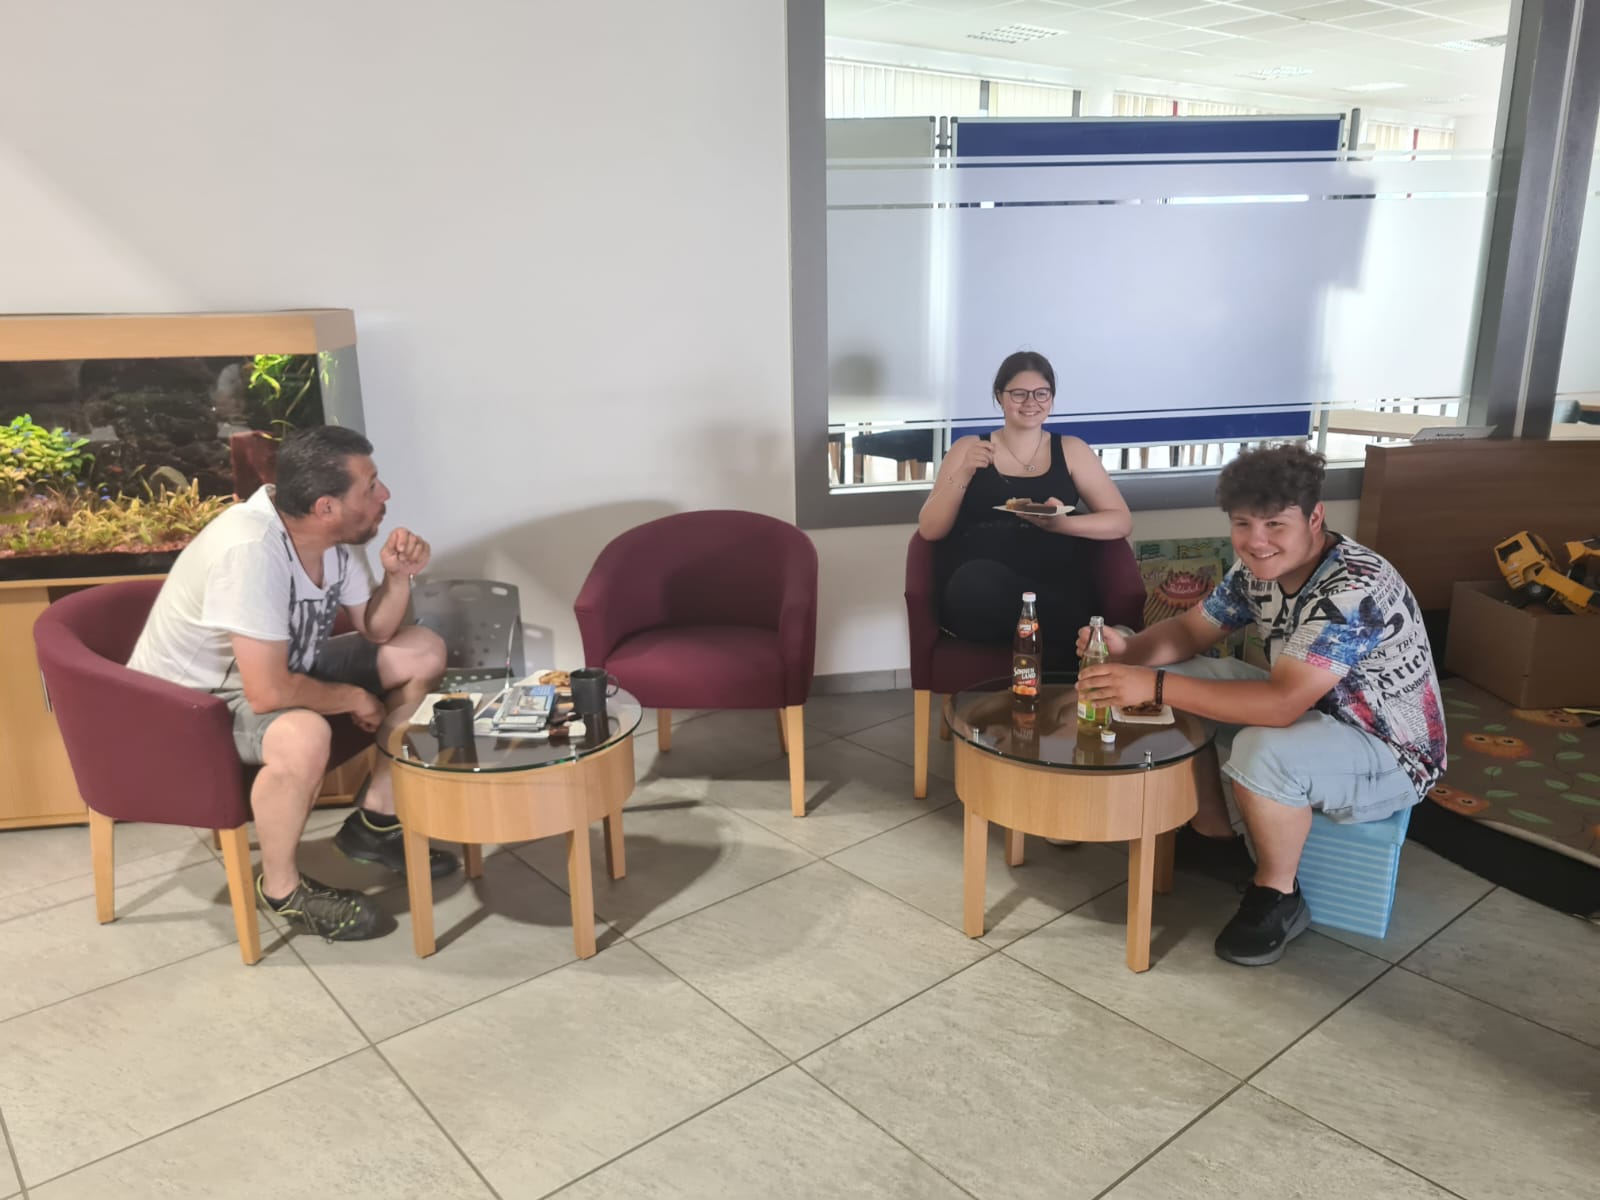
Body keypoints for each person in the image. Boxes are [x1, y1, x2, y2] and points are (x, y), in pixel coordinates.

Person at [1076, 444, 1446, 967]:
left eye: (1274, 524)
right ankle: (1214, 836)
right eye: (1243, 524)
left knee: (1260, 748)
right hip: (1312, 712)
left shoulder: (1354, 588)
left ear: (1314, 518)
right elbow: (1190, 631)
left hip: (1389, 750)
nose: (1256, 541)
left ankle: (1278, 894)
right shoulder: (1256, 569)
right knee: (1180, 675)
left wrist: (1151, 685)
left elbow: (1279, 707)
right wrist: (1127, 650)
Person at [129, 425, 457, 942]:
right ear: (326, 506)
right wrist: (352, 697)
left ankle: (375, 823)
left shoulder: (330, 538)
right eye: (371, 487)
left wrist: (398, 577)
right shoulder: (251, 550)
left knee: (423, 650)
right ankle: (282, 889)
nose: (385, 495)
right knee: (304, 733)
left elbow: (376, 630)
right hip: (192, 704)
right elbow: (268, 694)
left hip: (276, 669)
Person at [918, 351, 1133, 667]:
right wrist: (963, 472)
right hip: (982, 593)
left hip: (1054, 584)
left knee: (1071, 597)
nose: (1031, 402)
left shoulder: (1072, 449)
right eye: (1018, 393)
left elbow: (1121, 521)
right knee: (973, 584)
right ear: (1000, 397)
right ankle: (1087, 640)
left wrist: (1063, 525)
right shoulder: (968, 448)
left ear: (1051, 398)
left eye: (1041, 393)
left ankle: (1069, 646)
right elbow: (930, 529)